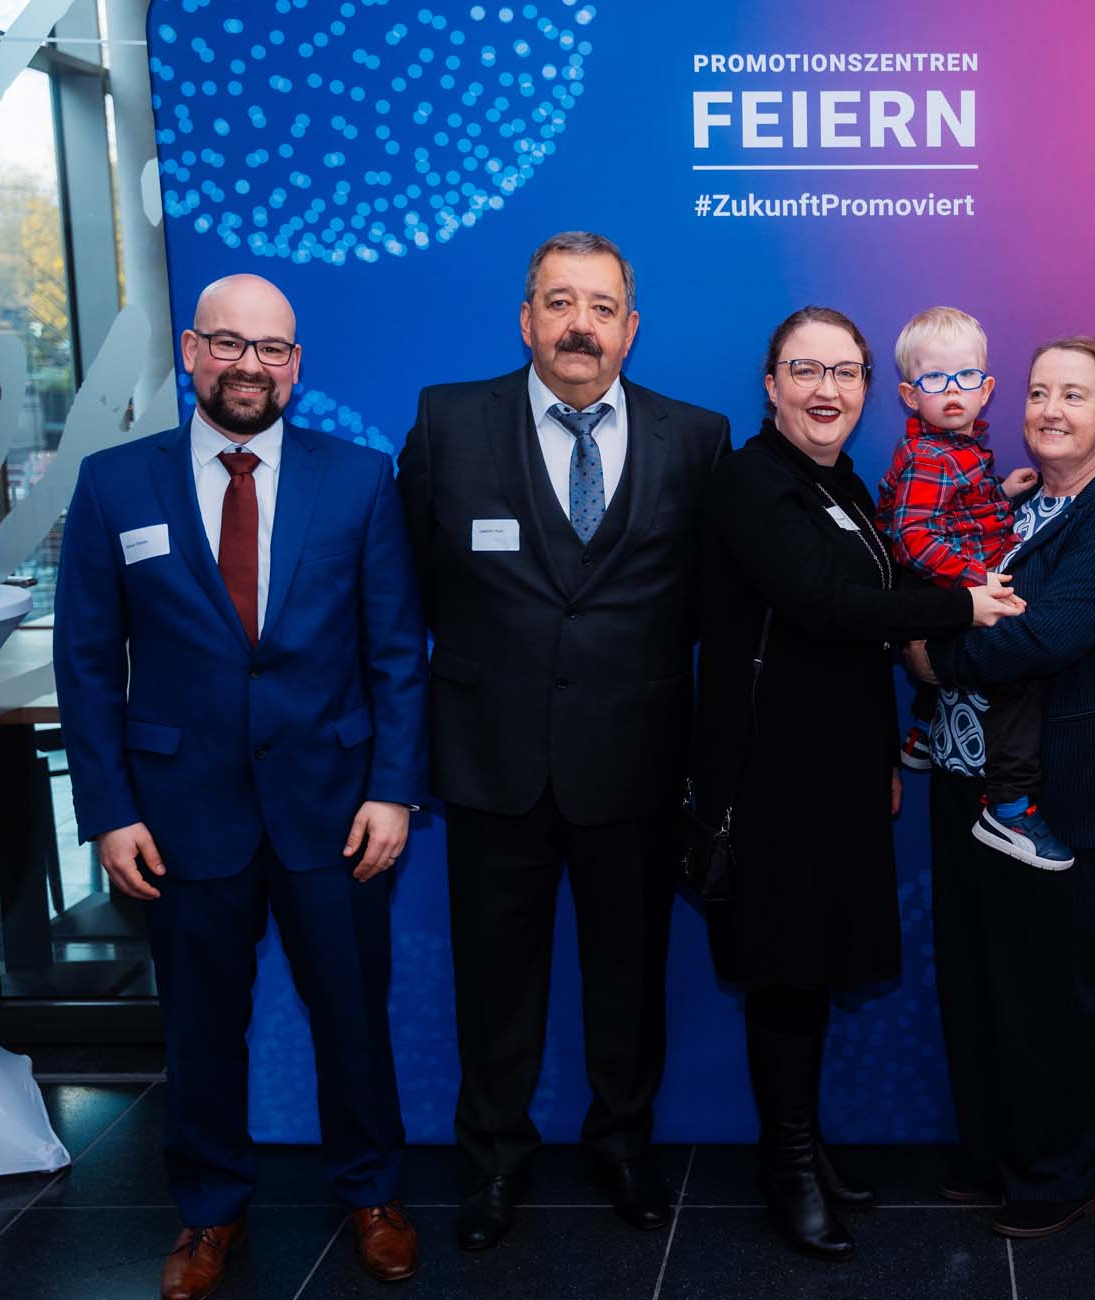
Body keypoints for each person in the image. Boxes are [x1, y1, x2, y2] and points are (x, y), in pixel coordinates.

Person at [55, 274, 428, 1299]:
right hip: (180, 817)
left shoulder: (359, 479)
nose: (249, 366)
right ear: (190, 351)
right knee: (202, 1026)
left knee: (353, 1015)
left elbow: (397, 651)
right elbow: (87, 664)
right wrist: (110, 810)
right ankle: (209, 1213)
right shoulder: (114, 484)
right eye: (228, 344)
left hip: (337, 806)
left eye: (271, 349)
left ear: (297, 365)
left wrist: (394, 788)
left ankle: (374, 1194)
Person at [396, 231, 730, 1250]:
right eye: (558, 302)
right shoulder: (450, 422)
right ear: (526, 318)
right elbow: (403, 585)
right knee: (496, 983)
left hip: (634, 764)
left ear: (631, 326)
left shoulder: (697, 437)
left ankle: (622, 1147)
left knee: (630, 980)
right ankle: (494, 1162)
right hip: (493, 764)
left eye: (600, 306)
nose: (579, 324)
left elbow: (718, 601)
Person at [696, 305, 1022, 1261]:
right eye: (805, 370)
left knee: (818, 964)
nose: (826, 390)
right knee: (784, 973)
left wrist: (884, 754)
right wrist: (963, 603)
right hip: (768, 773)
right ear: (770, 384)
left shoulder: (839, 482)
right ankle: (787, 1168)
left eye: (845, 373)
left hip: (839, 767)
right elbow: (825, 605)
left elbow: (866, 642)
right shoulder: (751, 483)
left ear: (870, 389)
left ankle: (809, 1150)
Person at [904, 336, 1095, 1240]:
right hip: (962, 779)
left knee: (1047, 990)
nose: (1052, 409)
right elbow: (925, 573)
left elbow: (1044, 638)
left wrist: (929, 651)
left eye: (1075, 395)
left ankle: (1059, 1174)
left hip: (1051, 793)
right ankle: (992, 1158)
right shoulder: (999, 504)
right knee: (974, 979)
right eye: (1040, 392)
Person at [875, 307, 1064, 866]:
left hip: (952, 587)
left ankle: (926, 732)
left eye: (965, 378)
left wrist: (1001, 492)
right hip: (946, 589)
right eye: (935, 380)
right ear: (911, 395)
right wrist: (972, 582)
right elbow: (912, 537)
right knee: (1017, 671)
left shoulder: (963, 449)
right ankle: (1009, 805)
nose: (951, 391)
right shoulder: (929, 457)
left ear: (986, 389)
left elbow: (962, 514)